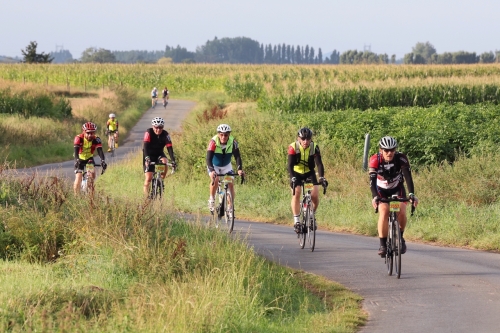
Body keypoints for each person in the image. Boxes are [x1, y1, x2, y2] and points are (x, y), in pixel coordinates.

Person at [369, 136, 419, 256]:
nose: (389, 153)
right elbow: (372, 181)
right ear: (381, 150)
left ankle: (400, 238)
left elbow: (408, 177)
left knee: (401, 210)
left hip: (396, 189)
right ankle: (382, 244)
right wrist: (375, 196)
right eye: (386, 150)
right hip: (381, 190)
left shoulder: (401, 158)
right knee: (385, 211)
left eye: (392, 150)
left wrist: (412, 194)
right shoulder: (375, 159)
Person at [288, 127, 328, 233]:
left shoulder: (314, 147)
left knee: (314, 195)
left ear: (311, 139)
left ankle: (310, 215)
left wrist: (321, 177)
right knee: (297, 192)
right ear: (299, 138)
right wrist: (292, 177)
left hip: (309, 174)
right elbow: (290, 165)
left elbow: (319, 164)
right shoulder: (293, 147)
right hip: (296, 173)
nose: (306, 141)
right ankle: (297, 221)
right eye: (303, 139)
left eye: (308, 139)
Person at [206, 124, 245, 214]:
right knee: (215, 179)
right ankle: (211, 199)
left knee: (229, 182)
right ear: (218, 134)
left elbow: (237, 157)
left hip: (226, 166)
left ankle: (230, 206)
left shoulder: (233, 142)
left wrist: (239, 169)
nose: (223, 137)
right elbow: (208, 159)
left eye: (226, 135)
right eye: (221, 134)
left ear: (229, 135)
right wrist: (212, 171)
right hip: (214, 165)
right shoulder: (213, 142)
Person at [143, 117, 177, 196]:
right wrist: (147, 158)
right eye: (156, 127)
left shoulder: (165, 134)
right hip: (149, 154)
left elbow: (169, 148)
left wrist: (173, 161)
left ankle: (160, 180)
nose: (158, 130)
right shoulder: (148, 132)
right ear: (153, 127)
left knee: (164, 162)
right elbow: (146, 147)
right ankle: (146, 198)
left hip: (159, 154)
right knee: (149, 178)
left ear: (163, 127)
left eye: (160, 127)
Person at [73, 122, 107, 194]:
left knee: (92, 176)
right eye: (88, 133)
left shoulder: (96, 139)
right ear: (84, 132)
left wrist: (103, 161)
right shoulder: (78, 138)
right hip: (79, 159)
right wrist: (76, 161)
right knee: (78, 178)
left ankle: (91, 196)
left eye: (92, 133)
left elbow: (100, 151)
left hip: (89, 159)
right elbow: (76, 152)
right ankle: (76, 197)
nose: (90, 135)